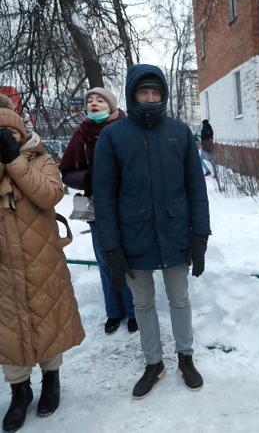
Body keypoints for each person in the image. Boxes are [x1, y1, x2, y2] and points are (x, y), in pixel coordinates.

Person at [93, 64, 211, 399]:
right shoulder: (113, 137)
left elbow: (195, 188)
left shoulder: (179, 132)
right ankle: (153, 362)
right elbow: (104, 195)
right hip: (133, 238)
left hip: (175, 232)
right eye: (143, 93)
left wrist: (200, 235)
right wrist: (111, 248)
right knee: (143, 303)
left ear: (163, 95)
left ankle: (185, 357)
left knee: (179, 298)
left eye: (155, 93)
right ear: (132, 95)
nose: (149, 98)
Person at [0, 94, 85, 431]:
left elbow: (49, 194)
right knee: (10, 329)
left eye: (12, 134)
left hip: (41, 261)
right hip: (5, 268)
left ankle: (52, 380)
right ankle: (19, 392)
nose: (9, 139)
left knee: (48, 319)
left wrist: (15, 162)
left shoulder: (41, 160)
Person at [59, 87, 137, 335]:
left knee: (130, 258)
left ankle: (135, 311)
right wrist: (88, 177)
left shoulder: (127, 128)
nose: (93, 103)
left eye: (99, 99)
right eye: (89, 100)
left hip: (128, 206)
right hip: (98, 207)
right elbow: (67, 172)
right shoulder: (82, 133)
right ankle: (114, 312)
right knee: (105, 260)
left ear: (111, 106)